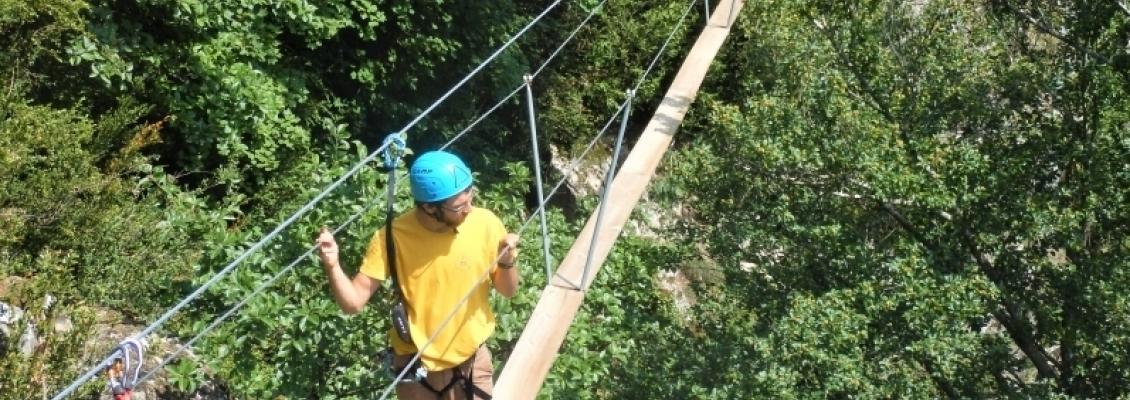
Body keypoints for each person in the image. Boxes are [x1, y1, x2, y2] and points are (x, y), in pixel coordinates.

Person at [315, 150, 520, 399]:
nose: (469, 208)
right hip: (415, 367)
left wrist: (507, 262)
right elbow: (353, 303)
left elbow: (508, 291)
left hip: (470, 362)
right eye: (459, 205)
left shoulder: (485, 222)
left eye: (470, 195)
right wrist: (333, 265)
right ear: (429, 207)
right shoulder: (391, 237)